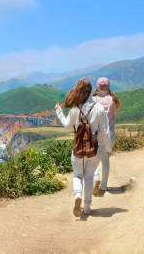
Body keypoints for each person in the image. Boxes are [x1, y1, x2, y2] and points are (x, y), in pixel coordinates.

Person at [55, 78, 112, 217]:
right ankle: (87, 207)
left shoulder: (75, 108)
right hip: (95, 149)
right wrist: (108, 149)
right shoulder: (98, 107)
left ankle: (77, 196)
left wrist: (59, 112)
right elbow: (105, 131)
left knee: (78, 175)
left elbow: (67, 126)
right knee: (89, 176)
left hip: (78, 148)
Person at [92, 77, 121, 195]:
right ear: (108, 86)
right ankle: (104, 186)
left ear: (97, 86)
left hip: (97, 133)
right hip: (110, 132)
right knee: (106, 158)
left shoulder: (93, 100)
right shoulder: (113, 99)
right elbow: (116, 112)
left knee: (95, 158)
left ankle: (96, 178)